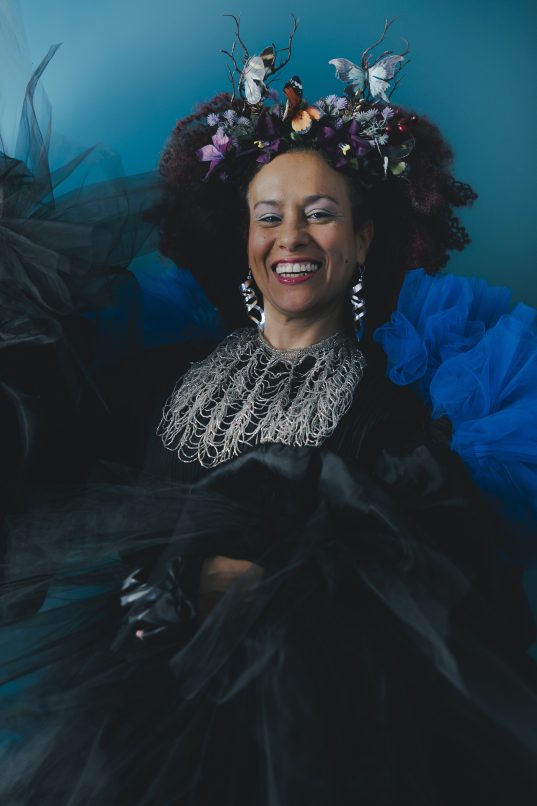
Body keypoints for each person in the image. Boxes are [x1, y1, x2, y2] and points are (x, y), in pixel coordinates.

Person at [1, 18, 537, 806]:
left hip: (314, 736)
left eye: (319, 213)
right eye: (268, 215)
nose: (291, 238)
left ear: (362, 239)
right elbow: (51, 475)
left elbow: (426, 580)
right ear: (241, 237)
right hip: (131, 718)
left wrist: (254, 580)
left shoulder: (393, 406)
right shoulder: (154, 374)